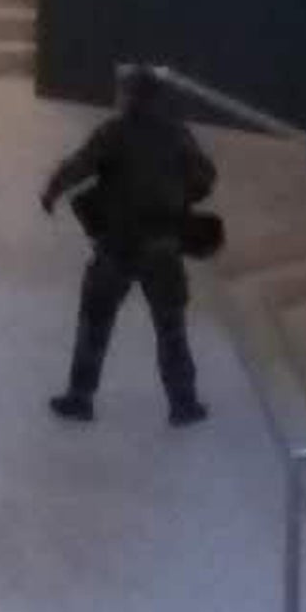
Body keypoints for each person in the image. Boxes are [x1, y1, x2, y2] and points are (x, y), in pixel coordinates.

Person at [39, 64, 217, 426]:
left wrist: (52, 190)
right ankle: (183, 404)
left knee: (95, 323)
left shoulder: (114, 133)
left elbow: (79, 166)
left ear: (130, 96)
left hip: (117, 244)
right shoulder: (177, 134)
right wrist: (180, 195)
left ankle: (80, 397)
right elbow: (205, 176)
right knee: (171, 329)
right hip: (162, 247)